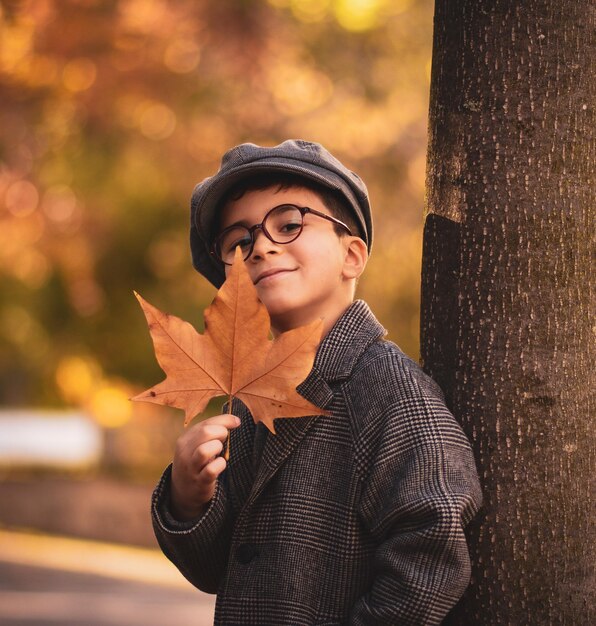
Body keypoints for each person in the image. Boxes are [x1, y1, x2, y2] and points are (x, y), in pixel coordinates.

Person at [151, 139, 482, 625]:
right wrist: (187, 497)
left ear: (352, 255)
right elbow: (215, 570)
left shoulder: (391, 392)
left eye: (288, 224)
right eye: (237, 242)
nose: (259, 247)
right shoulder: (246, 405)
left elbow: (432, 555)